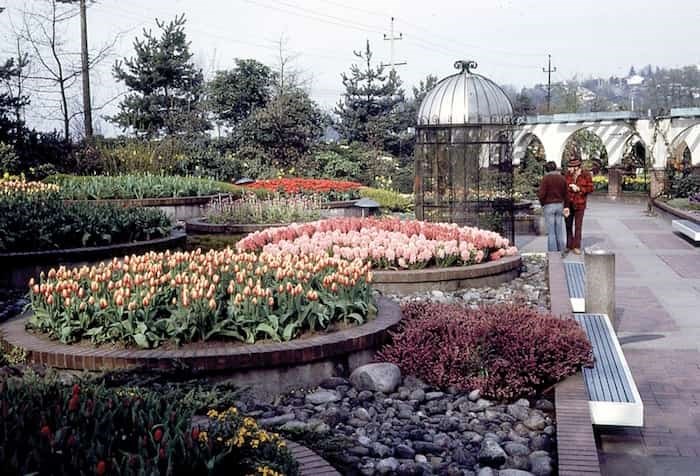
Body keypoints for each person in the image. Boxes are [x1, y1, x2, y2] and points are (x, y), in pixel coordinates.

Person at [564, 151, 594, 254]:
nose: (568, 169)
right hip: (568, 204)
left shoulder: (586, 175)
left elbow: (590, 188)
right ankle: (569, 245)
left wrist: (579, 189)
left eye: (570, 167)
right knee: (568, 225)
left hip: (580, 204)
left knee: (578, 226)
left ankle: (576, 246)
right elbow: (564, 189)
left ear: (576, 167)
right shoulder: (567, 175)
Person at [538, 161, 568, 255]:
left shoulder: (546, 178)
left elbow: (542, 194)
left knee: (551, 232)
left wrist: (542, 203)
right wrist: (565, 206)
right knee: (559, 229)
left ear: (547, 169)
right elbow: (566, 194)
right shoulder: (562, 178)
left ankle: (553, 254)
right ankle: (561, 251)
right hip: (559, 205)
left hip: (549, 205)